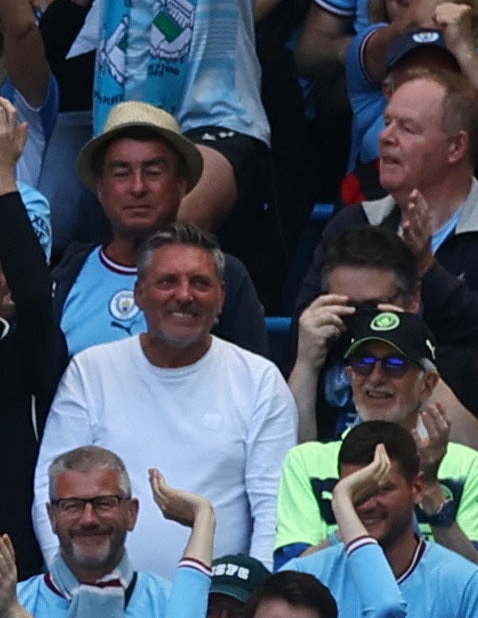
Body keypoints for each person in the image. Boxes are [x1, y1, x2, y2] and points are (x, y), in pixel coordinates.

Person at [32, 232, 293, 574]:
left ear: (221, 297)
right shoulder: (92, 370)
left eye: (200, 283)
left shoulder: (259, 380)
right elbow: (50, 486)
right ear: (139, 293)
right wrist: (66, 581)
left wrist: (255, 597)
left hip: (220, 612)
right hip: (101, 599)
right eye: (168, 281)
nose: (184, 296)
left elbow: (273, 506)